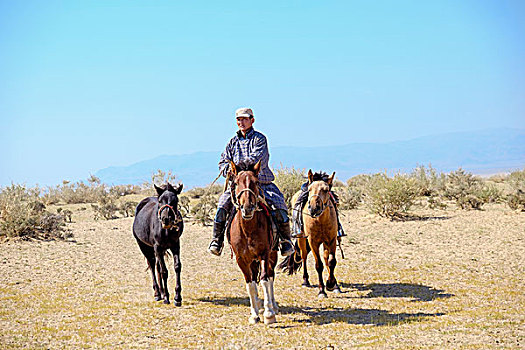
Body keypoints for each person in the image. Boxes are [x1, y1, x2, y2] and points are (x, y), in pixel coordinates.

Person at [207, 107, 295, 257]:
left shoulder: (260, 139)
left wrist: (237, 167)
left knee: (279, 204)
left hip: (261, 183)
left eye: (245, 119)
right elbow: (222, 161)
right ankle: (217, 240)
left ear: (252, 120)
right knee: (222, 205)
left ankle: (285, 241)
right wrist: (227, 169)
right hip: (238, 186)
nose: (241, 122)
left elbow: (257, 158)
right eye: (239, 119)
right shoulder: (232, 142)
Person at [291, 172, 347, 239]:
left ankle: (338, 227)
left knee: (334, 201)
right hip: (311, 184)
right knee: (298, 202)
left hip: (323, 183)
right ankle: (297, 228)